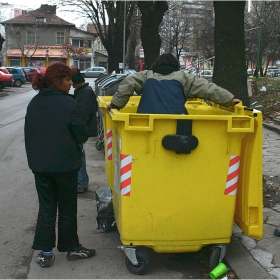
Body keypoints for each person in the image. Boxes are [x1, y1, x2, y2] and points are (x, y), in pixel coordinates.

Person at [24, 62, 96, 268]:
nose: (71, 84)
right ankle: (72, 248)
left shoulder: (35, 103)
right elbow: (82, 134)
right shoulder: (69, 104)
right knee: (67, 208)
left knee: (46, 208)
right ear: (56, 81)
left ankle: (46, 253)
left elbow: (29, 135)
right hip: (65, 166)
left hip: (41, 167)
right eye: (67, 80)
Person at [107, 53, 241, 112]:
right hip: (177, 123)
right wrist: (229, 100)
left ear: (156, 64)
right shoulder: (184, 78)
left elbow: (128, 83)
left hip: (145, 123)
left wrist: (115, 104)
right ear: (175, 65)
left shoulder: (146, 75)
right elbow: (207, 88)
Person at [71, 68, 98, 194]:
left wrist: (80, 130)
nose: (70, 84)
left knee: (79, 156)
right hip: (82, 129)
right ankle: (82, 182)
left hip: (81, 130)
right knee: (79, 155)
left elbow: (84, 114)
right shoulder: (82, 91)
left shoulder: (85, 92)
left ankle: (81, 184)